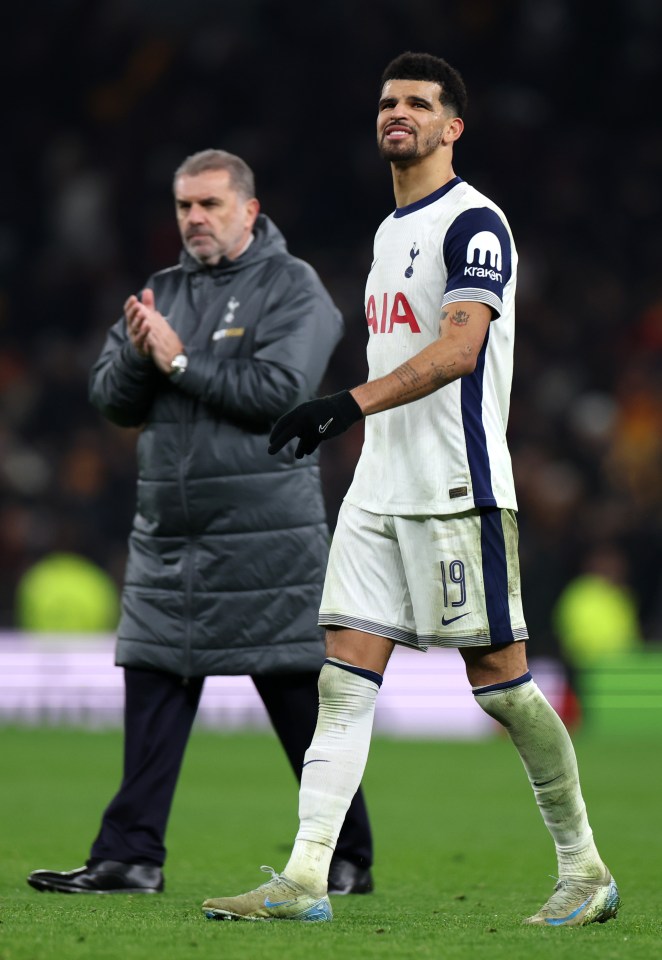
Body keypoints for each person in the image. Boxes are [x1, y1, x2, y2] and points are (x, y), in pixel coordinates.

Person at [200, 53, 620, 927]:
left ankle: (585, 870)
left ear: (451, 126)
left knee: (502, 687)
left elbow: (461, 350)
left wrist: (342, 404)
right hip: (377, 493)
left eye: (419, 104)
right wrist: (350, 424)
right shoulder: (390, 233)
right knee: (344, 682)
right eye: (389, 102)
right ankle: (307, 875)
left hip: (455, 488)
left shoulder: (475, 225)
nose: (399, 114)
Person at [26, 149, 373, 897]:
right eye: (184, 206)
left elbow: (281, 392)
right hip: (170, 538)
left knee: (293, 702)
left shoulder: (293, 287)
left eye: (211, 205)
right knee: (153, 682)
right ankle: (129, 857)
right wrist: (142, 359)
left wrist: (178, 365)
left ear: (249, 210)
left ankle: (344, 856)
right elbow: (111, 400)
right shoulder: (162, 291)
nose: (194, 219)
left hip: (263, 537)